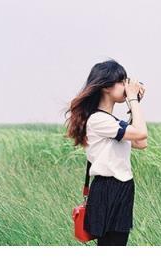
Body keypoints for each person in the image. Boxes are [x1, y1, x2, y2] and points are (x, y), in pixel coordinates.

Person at [64, 59, 147, 246]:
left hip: (122, 187)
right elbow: (141, 132)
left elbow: (141, 142)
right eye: (122, 81)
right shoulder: (98, 121)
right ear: (106, 87)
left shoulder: (111, 121)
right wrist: (132, 98)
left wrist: (135, 103)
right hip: (108, 188)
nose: (126, 86)